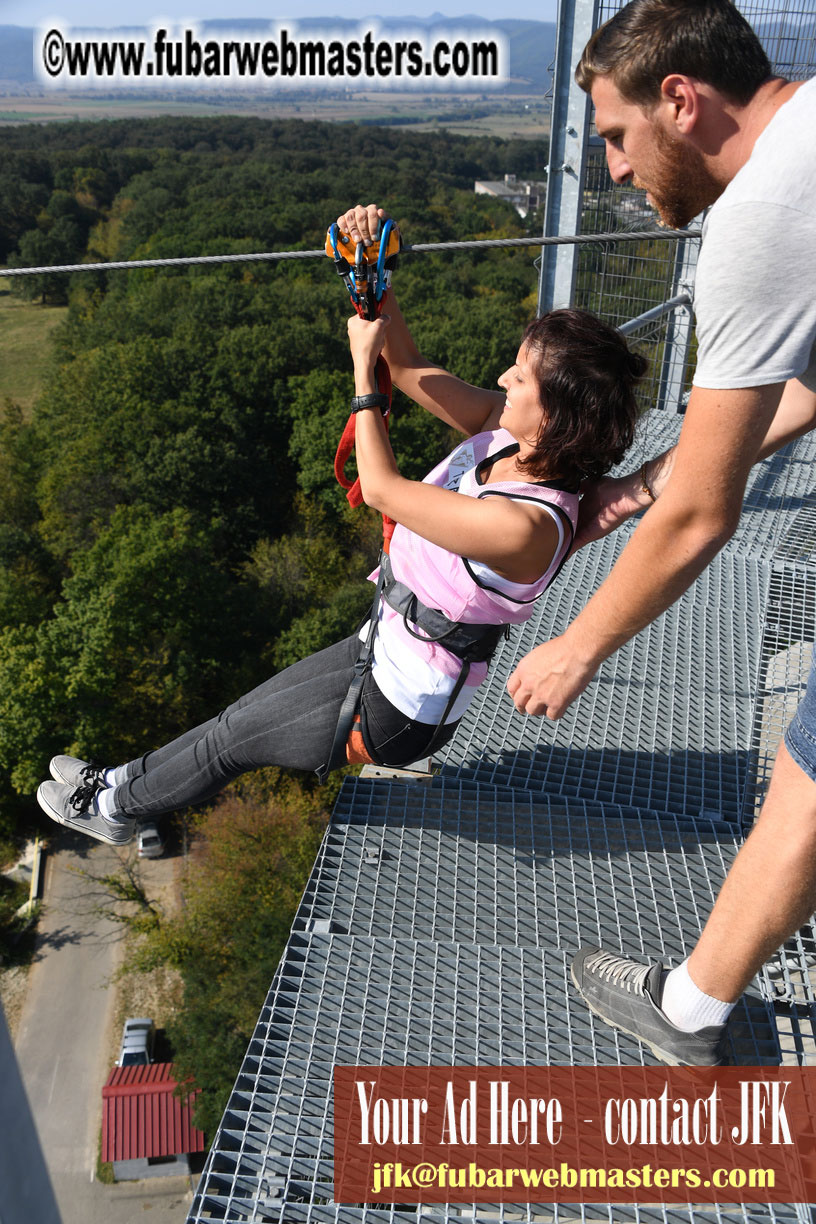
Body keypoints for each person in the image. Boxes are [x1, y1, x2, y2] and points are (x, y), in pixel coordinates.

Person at [36, 214, 646, 848]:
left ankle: (113, 810)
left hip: (401, 705)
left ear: (555, 415)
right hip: (385, 644)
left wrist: (362, 376)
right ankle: (116, 785)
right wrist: (372, 278)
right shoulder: (508, 436)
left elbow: (381, 488)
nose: (501, 381)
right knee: (233, 722)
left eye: (519, 378)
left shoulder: (523, 524)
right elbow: (408, 368)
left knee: (229, 744)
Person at [501, 0, 816, 1066]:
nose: (617, 176)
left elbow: (704, 518)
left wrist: (576, 645)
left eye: (617, 140)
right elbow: (800, 392)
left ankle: (689, 1012)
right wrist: (651, 482)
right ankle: (695, 1001)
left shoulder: (759, 215)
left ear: (681, 100)